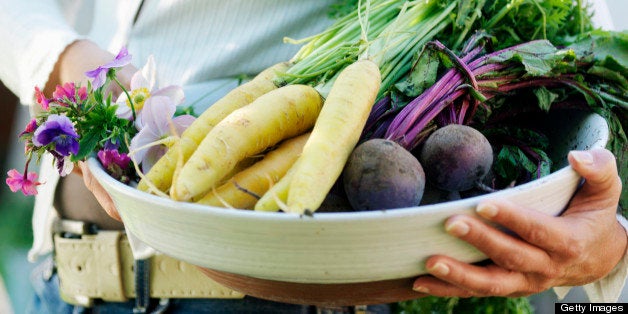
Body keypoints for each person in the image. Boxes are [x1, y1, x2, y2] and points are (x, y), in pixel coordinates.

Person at [0, 0, 625, 313]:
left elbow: (601, 35)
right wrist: (62, 62)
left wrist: (614, 264)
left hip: (422, 287)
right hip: (116, 282)